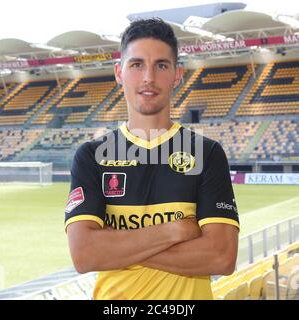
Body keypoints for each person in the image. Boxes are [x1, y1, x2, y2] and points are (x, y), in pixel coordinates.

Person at [65, 18, 239, 300]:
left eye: (161, 65)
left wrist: (116, 246)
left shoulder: (206, 153)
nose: (148, 77)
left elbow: (221, 257)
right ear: (119, 73)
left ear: (177, 74)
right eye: (136, 65)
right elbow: (84, 255)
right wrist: (176, 230)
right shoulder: (92, 156)